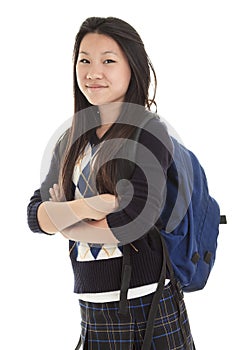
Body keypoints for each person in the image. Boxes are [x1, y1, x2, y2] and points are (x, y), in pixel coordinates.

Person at [27, 16, 195, 349]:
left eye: (108, 61)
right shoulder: (71, 139)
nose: (93, 72)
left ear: (131, 67)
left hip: (146, 301)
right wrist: (95, 205)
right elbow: (35, 216)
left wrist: (65, 217)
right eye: (85, 60)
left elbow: (133, 221)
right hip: (91, 303)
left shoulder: (147, 131)